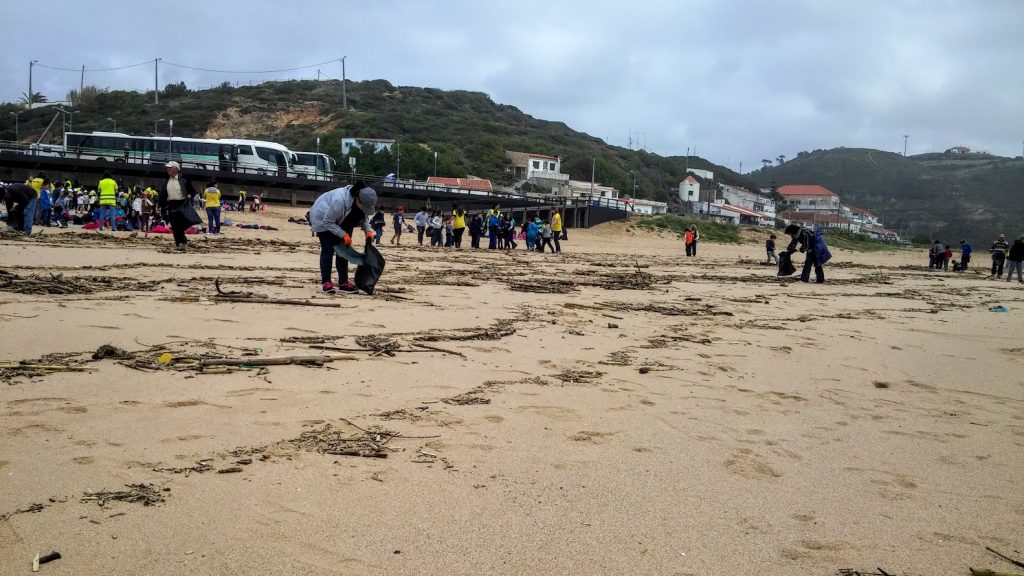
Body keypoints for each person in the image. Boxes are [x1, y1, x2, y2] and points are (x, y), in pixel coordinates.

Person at [309, 182, 377, 294]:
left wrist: (368, 230)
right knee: (328, 249)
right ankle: (326, 282)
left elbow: (364, 217)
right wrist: (343, 234)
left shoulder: (363, 200)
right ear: (357, 198)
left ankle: (343, 282)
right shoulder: (340, 201)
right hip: (322, 219)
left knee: (344, 250)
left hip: (343, 220)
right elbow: (327, 222)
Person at [157, 161, 198, 251]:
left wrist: (189, 198)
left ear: (176, 169)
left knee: (179, 224)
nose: (168, 169)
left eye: (170, 167)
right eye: (167, 168)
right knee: (174, 224)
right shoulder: (167, 181)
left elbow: (192, 191)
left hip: (182, 204)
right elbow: (163, 194)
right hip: (171, 204)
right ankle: (179, 243)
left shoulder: (184, 180)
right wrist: (160, 205)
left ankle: (181, 242)